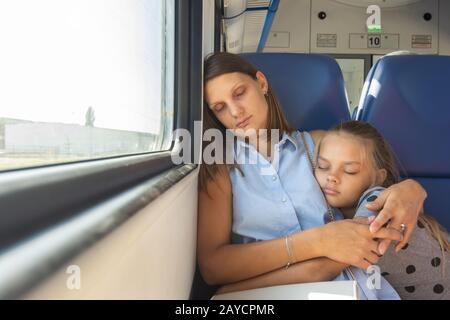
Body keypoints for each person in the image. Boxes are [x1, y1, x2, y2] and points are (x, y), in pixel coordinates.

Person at [197, 52, 427, 296]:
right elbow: (213, 266)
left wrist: (410, 189)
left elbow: (376, 199)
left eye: (239, 93)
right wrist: (317, 241)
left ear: (261, 83)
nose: (235, 112)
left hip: (351, 284)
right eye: (220, 108)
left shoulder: (316, 144)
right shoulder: (219, 167)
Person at [313, 120, 450, 299]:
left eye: (349, 171)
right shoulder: (335, 213)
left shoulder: (378, 202)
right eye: (323, 166)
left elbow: (322, 267)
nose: (332, 177)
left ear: (378, 177)